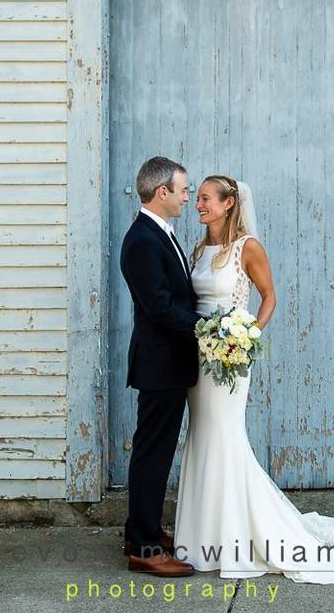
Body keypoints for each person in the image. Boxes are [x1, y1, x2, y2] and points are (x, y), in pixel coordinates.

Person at [173, 175, 334, 582]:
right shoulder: (200, 248)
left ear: (228, 203)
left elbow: (269, 296)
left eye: (204, 199)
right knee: (200, 437)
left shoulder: (246, 248)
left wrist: (247, 337)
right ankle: (203, 539)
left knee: (225, 437)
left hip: (230, 359)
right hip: (198, 359)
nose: (198, 205)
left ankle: (241, 539)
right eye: (197, 199)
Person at [118, 156, 198, 577]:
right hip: (160, 364)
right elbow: (162, 308)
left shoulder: (160, 233)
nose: (188, 197)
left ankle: (141, 530)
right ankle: (145, 549)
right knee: (152, 452)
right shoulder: (143, 240)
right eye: (184, 190)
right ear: (162, 192)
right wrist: (209, 330)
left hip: (169, 364)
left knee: (157, 450)